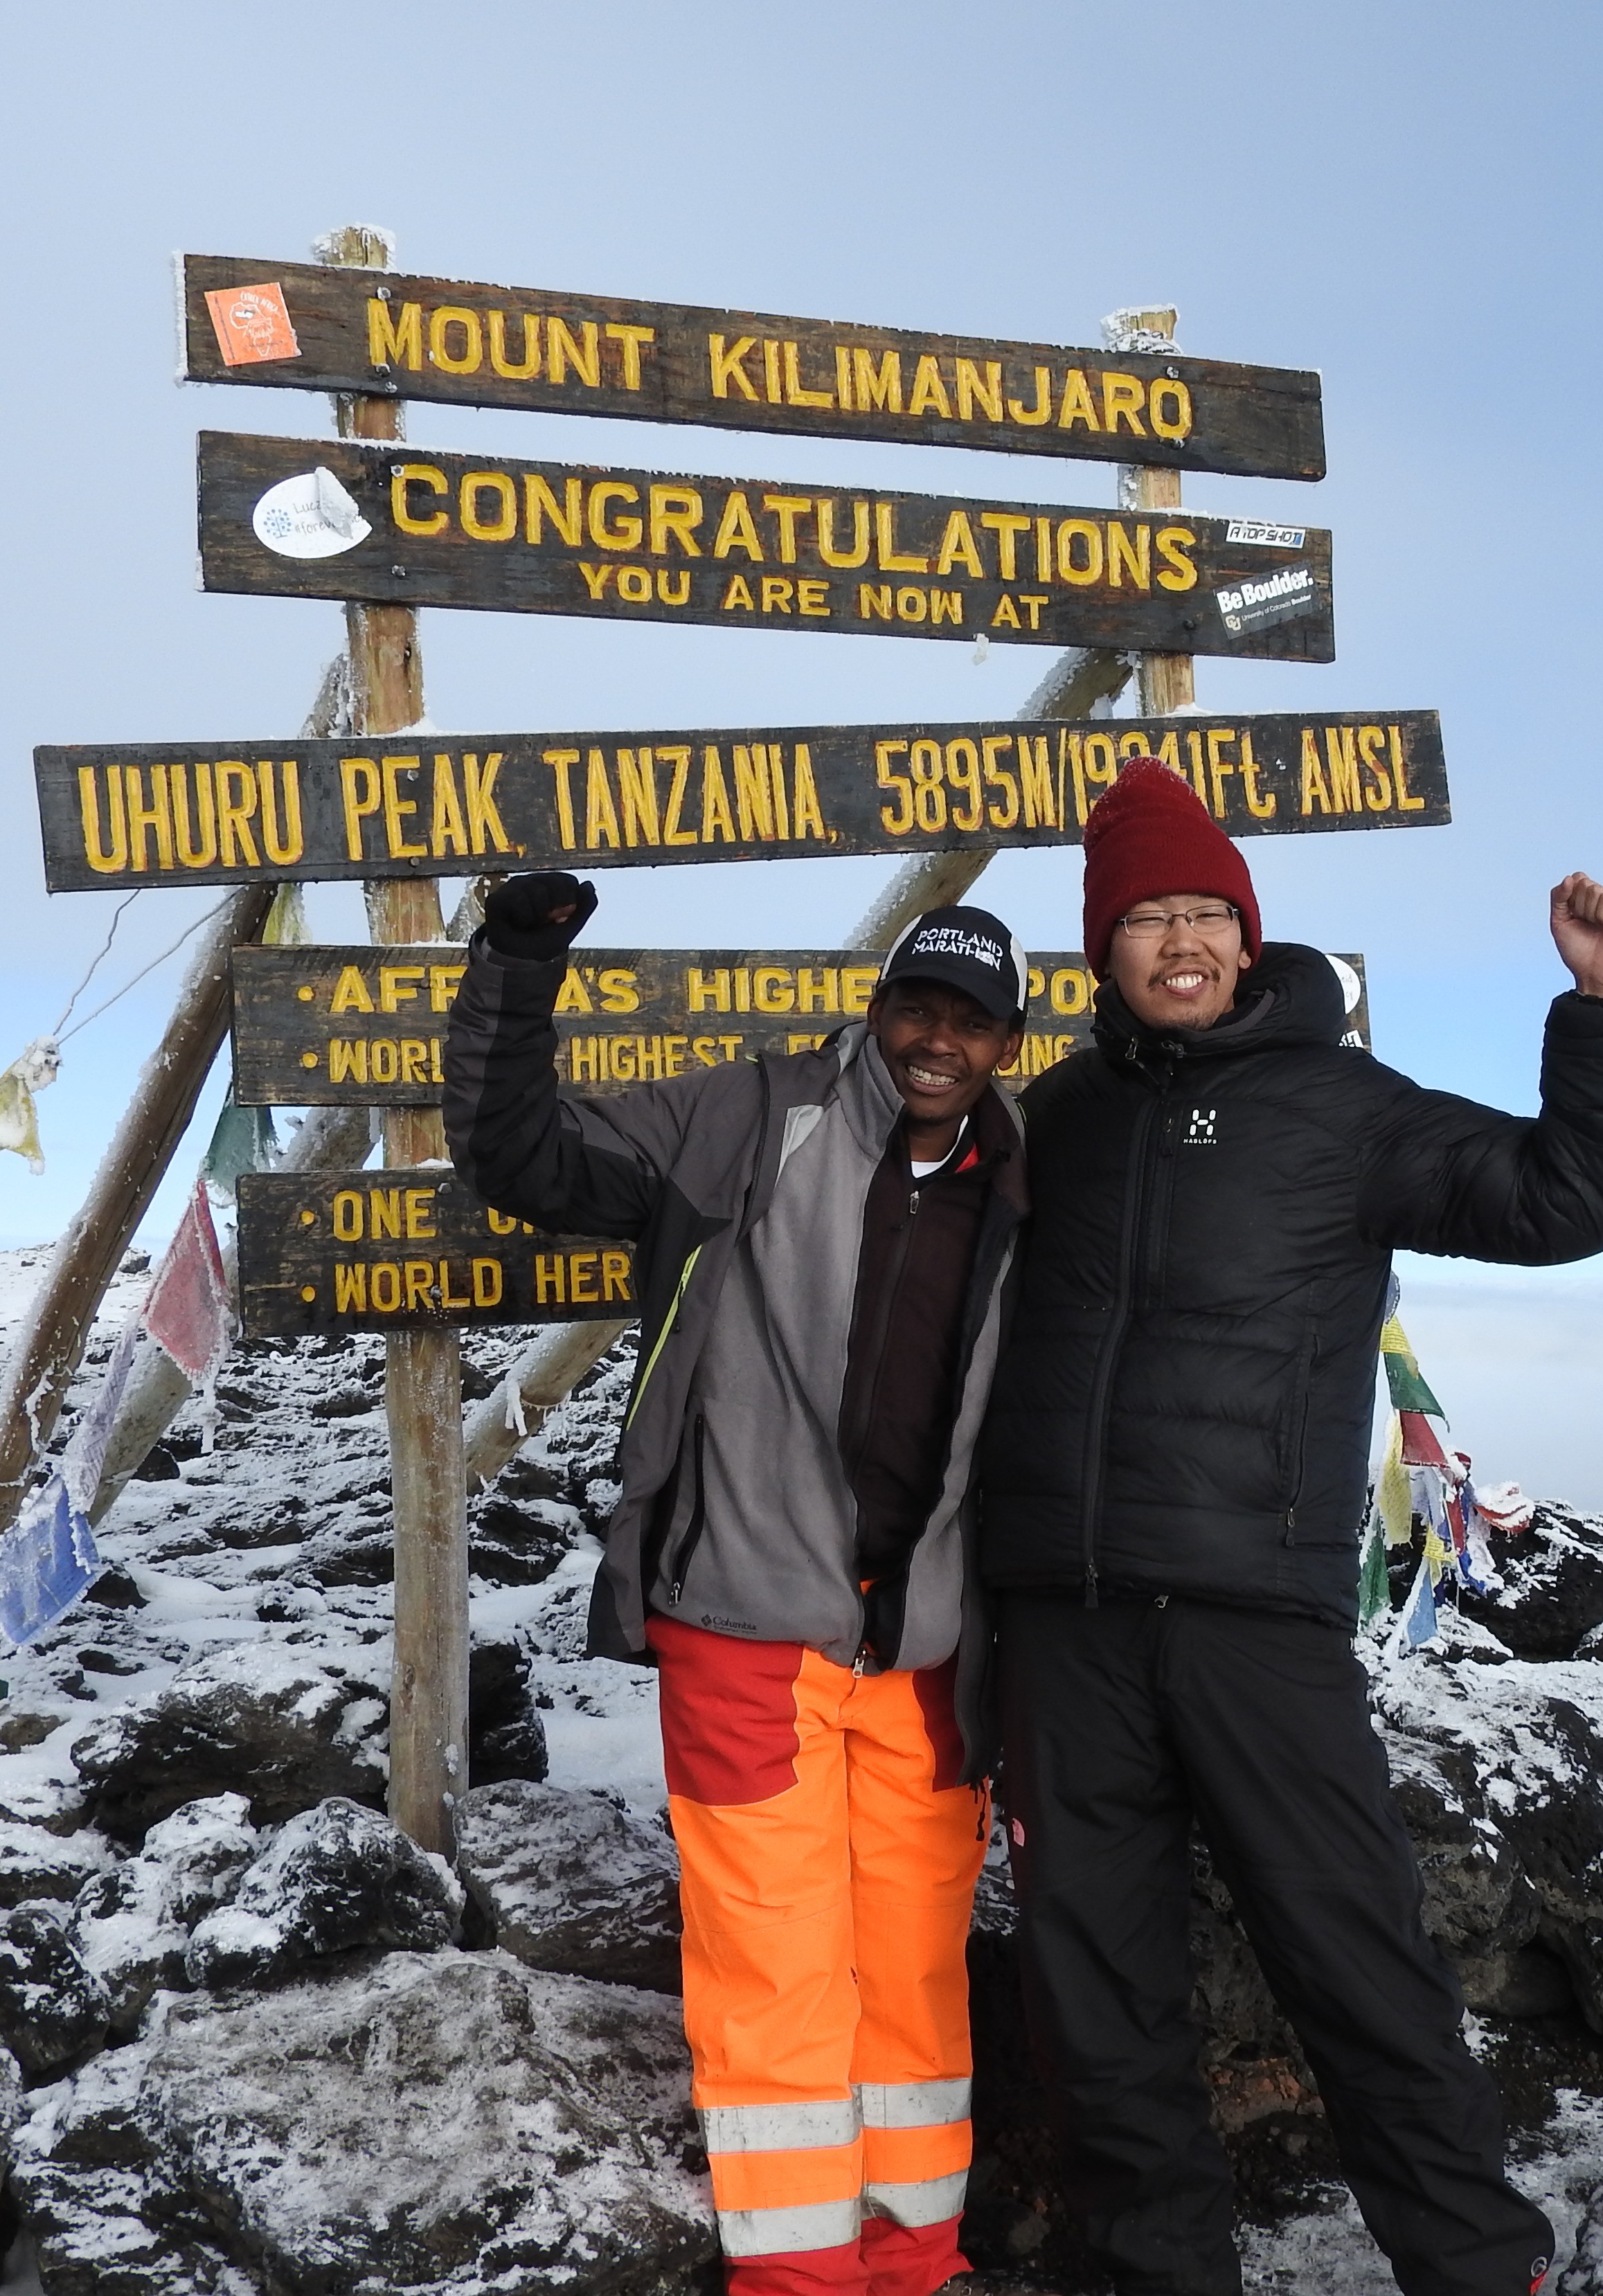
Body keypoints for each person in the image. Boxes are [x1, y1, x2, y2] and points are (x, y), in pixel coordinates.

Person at [978, 756, 1603, 2296]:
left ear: (1247, 934)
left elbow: (1571, 1196)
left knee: (1356, 1957)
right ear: (1103, 947)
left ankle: (1478, 2264)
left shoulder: (1343, 1106)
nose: (1179, 943)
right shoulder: (1056, 1119)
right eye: (1144, 918)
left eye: (1204, 914)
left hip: (1253, 1615)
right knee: (1094, 1993)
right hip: (1065, 1624)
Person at [444, 881, 1032, 2296]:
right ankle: (799, 2281)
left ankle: (914, 2263)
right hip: (748, 1630)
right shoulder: (751, 1114)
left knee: (916, 1977)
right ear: (876, 1011)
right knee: (775, 1976)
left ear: (1007, 1045)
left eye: (969, 1022)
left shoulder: (1031, 1169)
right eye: (916, 1008)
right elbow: (520, 1152)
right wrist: (518, 966)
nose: (937, 1040)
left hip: (933, 1648)